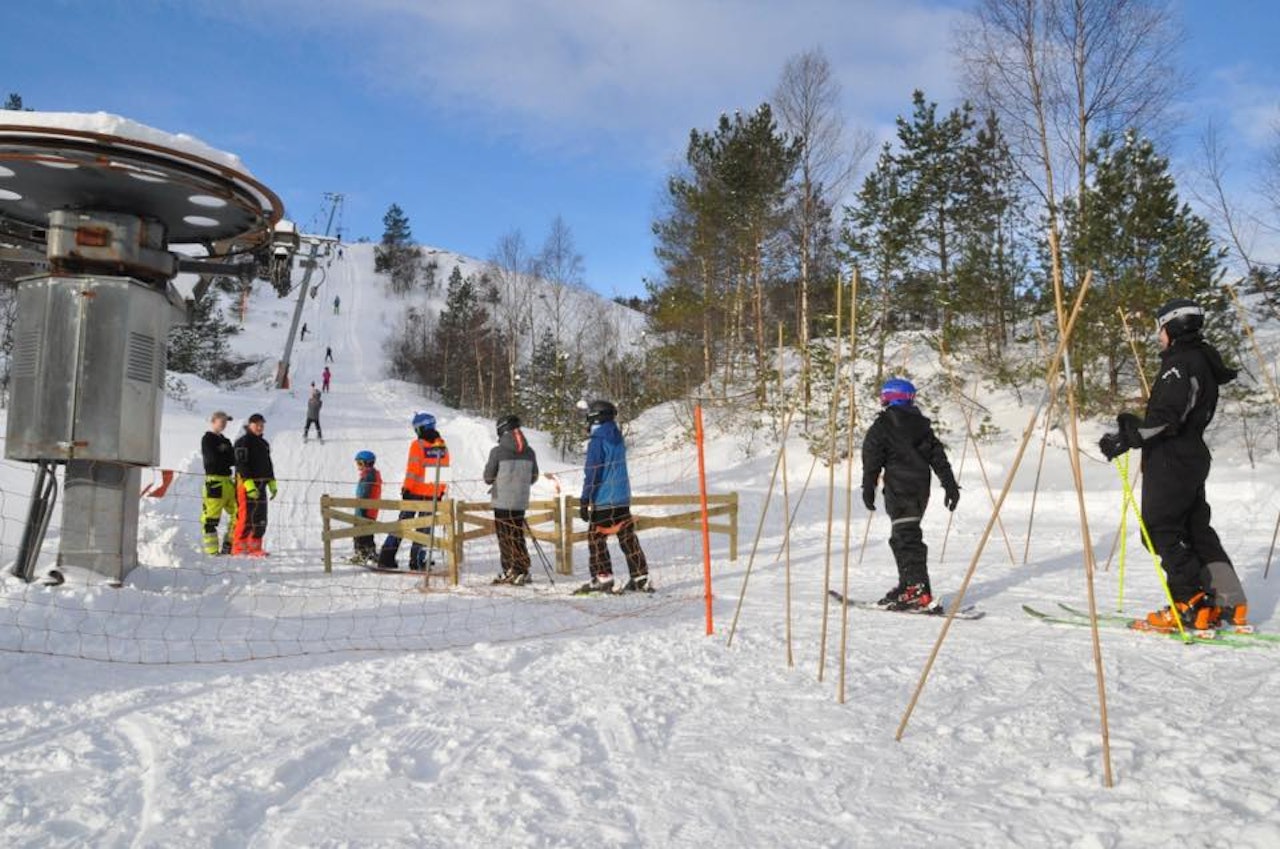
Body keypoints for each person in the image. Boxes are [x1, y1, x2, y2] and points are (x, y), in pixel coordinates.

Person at [1099, 298, 1248, 632]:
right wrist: (1133, 427)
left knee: (1160, 528)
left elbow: (1167, 419)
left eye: (1160, 329)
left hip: (1172, 457)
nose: (1158, 337)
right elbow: (1179, 413)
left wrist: (1126, 438)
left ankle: (1190, 604)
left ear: (1173, 328)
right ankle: (1229, 601)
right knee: (1196, 529)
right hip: (1192, 454)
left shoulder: (1179, 363)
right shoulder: (1201, 360)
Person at [861, 378, 960, 611]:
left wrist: (868, 486)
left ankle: (917, 591)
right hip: (919, 490)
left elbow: (872, 458)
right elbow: (938, 456)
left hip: (899, 489)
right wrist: (949, 484)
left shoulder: (883, 425)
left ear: (890, 398)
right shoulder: (921, 425)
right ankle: (909, 586)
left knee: (906, 538)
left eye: (884, 396)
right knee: (902, 536)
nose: (882, 401)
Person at [576, 400, 651, 594]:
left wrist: (585, 499)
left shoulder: (597, 441)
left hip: (604, 500)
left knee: (596, 537)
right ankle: (640, 577)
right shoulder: (617, 438)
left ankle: (603, 578)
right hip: (622, 498)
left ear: (595, 418)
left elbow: (593, 472)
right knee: (627, 538)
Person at [379, 412, 450, 571]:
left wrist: (407, 489)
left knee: (402, 525)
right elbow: (443, 473)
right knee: (424, 529)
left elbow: (413, 470)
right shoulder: (442, 447)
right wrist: (439, 493)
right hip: (432, 496)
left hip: (414, 494)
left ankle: (386, 557)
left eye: (416, 429)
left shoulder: (418, 445)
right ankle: (417, 561)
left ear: (421, 429)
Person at [484, 415, 539, 585]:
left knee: (505, 537)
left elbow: (488, 477)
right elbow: (534, 477)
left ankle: (511, 569)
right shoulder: (530, 452)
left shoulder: (497, 451)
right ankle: (522, 569)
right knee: (517, 534)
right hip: (520, 501)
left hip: (502, 501)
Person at [232, 413, 277, 557]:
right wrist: (249, 484)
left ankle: (255, 547)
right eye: (257, 424)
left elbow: (268, 464)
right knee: (246, 516)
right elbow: (241, 464)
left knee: (260, 517)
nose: (259, 427)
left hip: (262, 485)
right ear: (249, 425)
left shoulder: (264, 444)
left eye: (262, 425)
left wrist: (272, 482)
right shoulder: (243, 442)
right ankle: (239, 547)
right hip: (246, 485)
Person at [200, 410, 237, 555]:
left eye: (226, 422)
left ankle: (229, 544)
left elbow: (233, 460)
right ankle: (212, 552)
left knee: (239, 513)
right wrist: (225, 457)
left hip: (228, 483)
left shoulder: (226, 441)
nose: (224, 424)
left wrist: (225, 457)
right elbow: (212, 461)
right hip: (214, 483)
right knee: (211, 519)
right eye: (221, 421)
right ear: (213, 421)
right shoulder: (207, 439)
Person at [351, 450, 382, 564]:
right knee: (368, 533)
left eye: (359, 463)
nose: (358, 466)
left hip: (365, 509)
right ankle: (370, 553)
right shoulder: (373, 474)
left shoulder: (368, 476)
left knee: (359, 532)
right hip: (371, 510)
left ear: (366, 463)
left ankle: (361, 554)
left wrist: (361, 506)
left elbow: (365, 492)